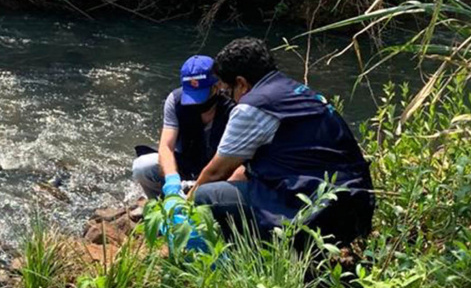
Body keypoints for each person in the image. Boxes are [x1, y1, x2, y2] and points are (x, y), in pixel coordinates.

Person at [189, 37, 374, 246]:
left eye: (227, 91)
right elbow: (246, 168)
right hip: (356, 205)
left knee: (205, 195)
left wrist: (183, 208)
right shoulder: (294, 91)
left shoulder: (253, 106)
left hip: (318, 215)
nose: (228, 98)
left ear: (241, 83)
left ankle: (247, 257)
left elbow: (215, 172)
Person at [132, 55, 235, 198]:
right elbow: (166, 146)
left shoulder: (234, 106)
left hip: (220, 171)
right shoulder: (175, 101)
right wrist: (171, 180)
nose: (196, 103)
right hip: (188, 164)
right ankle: (163, 203)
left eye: (202, 95)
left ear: (217, 86)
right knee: (142, 167)